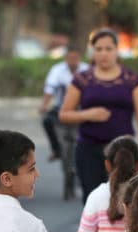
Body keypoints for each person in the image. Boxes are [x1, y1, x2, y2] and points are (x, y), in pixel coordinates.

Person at [59, 28, 138, 203]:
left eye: (108, 49)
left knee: (123, 201)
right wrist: (88, 114)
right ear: (92, 52)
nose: (103, 54)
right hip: (89, 149)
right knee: (93, 201)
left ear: (117, 50)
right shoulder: (82, 79)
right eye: (99, 49)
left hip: (123, 150)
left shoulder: (132, 79)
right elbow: (64, 115)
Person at [39, 47, 88, 200]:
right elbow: (49, 88)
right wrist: (44, 104)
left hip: (81, 111)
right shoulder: (58, 70)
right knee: (46, 120)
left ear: (79, 58)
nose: (72, 61)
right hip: (62, 111)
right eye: (69, 58)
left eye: (75, 58)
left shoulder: (87, 70)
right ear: (66, 59)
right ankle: (56, 149)